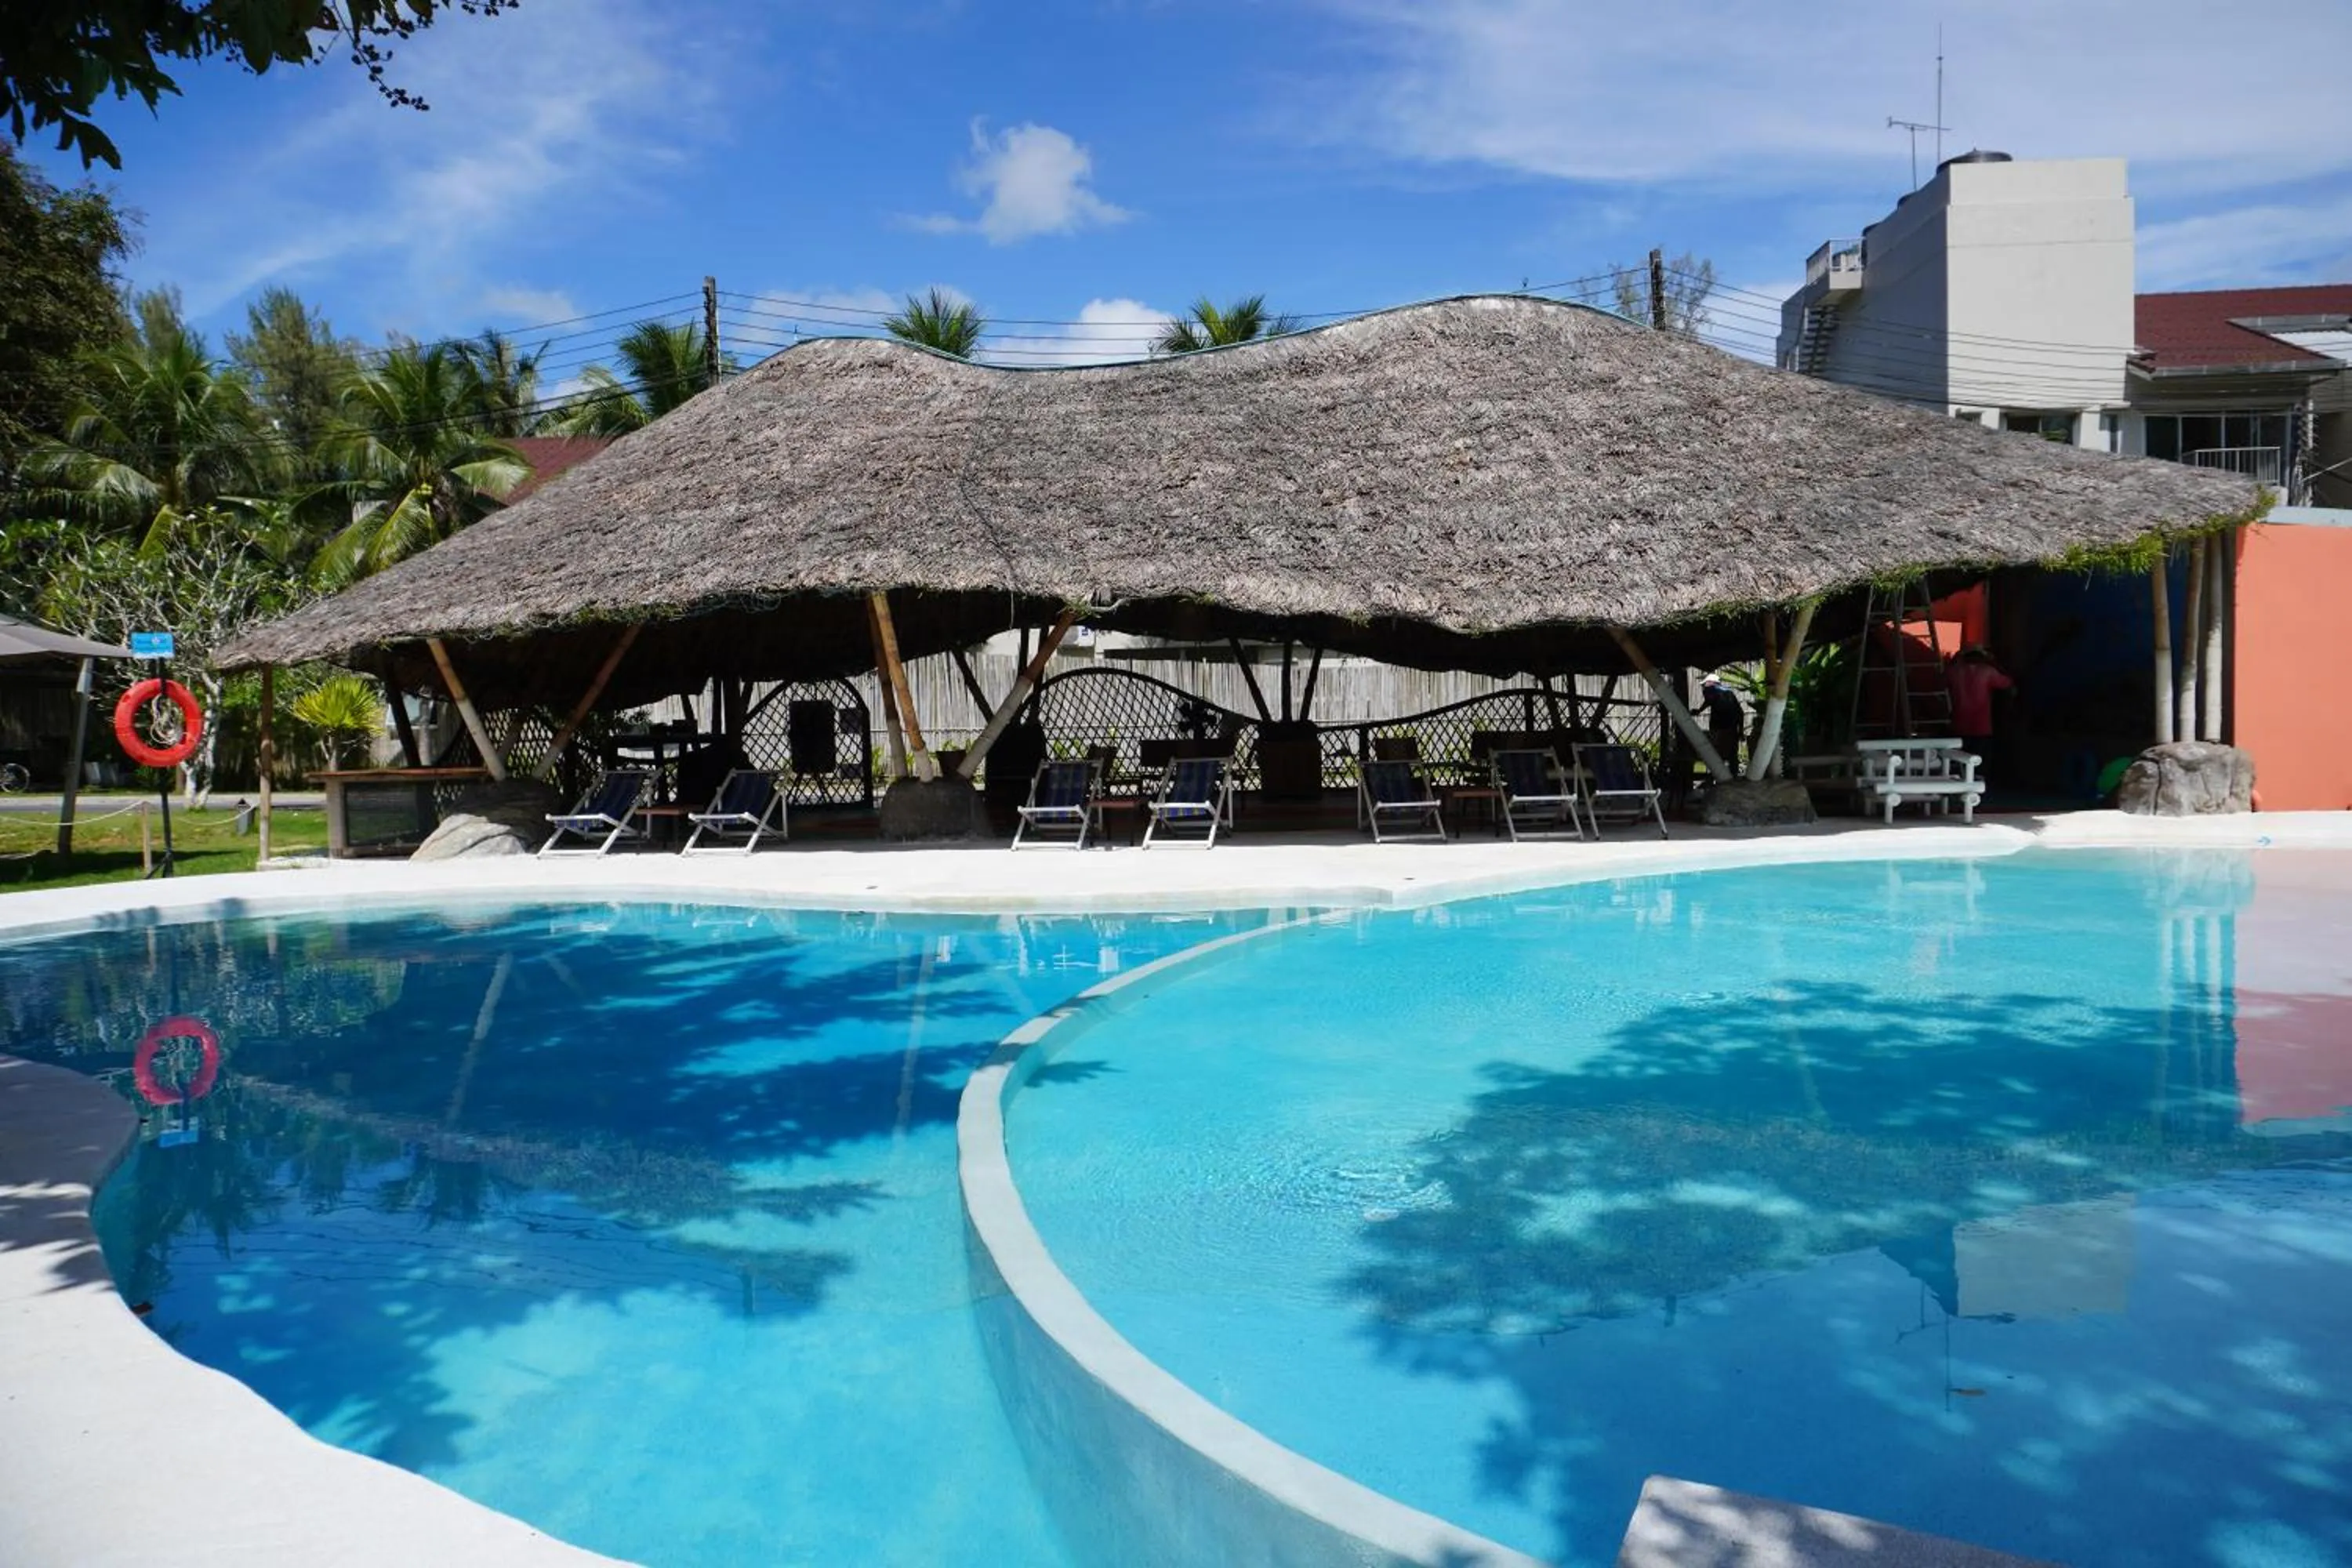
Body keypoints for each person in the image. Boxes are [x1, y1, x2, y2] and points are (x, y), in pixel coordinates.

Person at [1947, 646, 2015, 770]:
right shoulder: (1988, 671)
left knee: (1960, 760)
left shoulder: (1954, 671)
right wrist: (1995, 663)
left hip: (1959, 723)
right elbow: (2007, 683)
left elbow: (1941, 681)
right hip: (1982, 725)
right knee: (1980, 761)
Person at [1697, 673, 1744, 775]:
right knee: (1732, 754)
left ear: (1710, 683)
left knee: (1717, 754)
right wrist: (1741, 730)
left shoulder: (1710, 691)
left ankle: (1717, 776)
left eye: (1705, 685)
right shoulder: (1729, 692)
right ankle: (1734, 778)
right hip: (1732, 728)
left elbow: (1709, 701)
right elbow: (1741, 713)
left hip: (1718, 728)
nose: (1704, 688)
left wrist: (1699, 711)